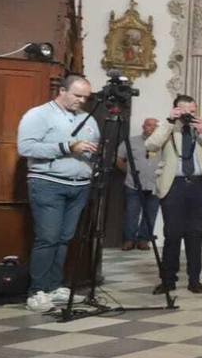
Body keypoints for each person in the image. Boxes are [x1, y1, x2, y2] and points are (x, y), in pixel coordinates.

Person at [16, 74, 99, 312]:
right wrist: (67, 146)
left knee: (64, 239)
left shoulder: (88, 119)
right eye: (77, 95)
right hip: (48, 184)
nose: (82, 101)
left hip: (79, 185)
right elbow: (26, 147)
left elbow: (93, 149)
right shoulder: (39, 114)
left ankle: (54, 287)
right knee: (48, 238)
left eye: (86, 97)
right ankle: (37, 292)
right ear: (62, 91)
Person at [148, 95, 202, 295]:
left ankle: (195, 279)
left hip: (199, 185)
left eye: (193, 111)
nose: (189, 115)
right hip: (173, 185)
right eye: (185, 111)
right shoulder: (167, 127)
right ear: (175, 109)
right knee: (172, 234)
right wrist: (168, 122)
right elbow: (151, 145)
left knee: (195, 234)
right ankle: (167, 280)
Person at [116, 117, 161, 251]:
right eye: (149, 125)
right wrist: (130, 172)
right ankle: (129, 240)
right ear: (143, 126)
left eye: (155, 126)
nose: (152, 128)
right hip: (133, 185)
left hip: (154, 185)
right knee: (131, 213)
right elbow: (118, 159)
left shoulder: (162, 144)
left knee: (150, 214)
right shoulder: (130, 142)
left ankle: (143, 240)